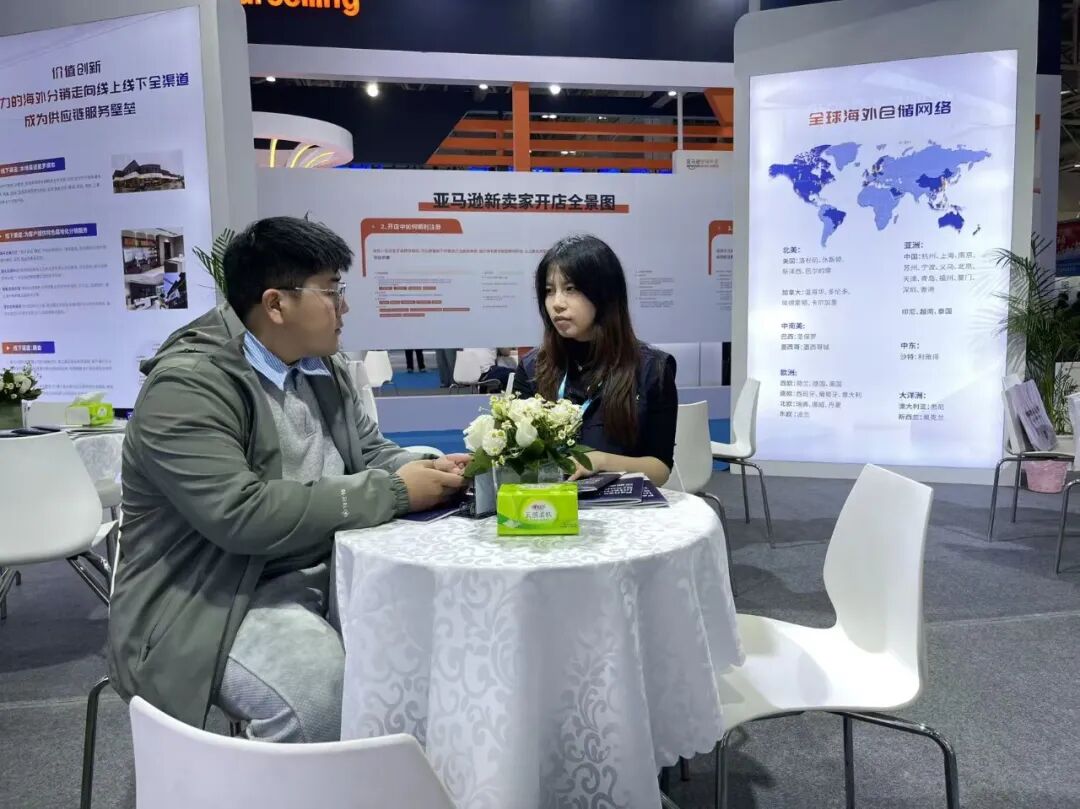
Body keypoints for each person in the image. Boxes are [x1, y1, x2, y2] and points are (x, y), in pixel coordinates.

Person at [108, 216, 469, 741]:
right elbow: (241, 514)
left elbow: (367, 451)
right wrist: (394, 491)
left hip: (331, 570)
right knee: (317, 694)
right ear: (276, 304)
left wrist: (424, 466)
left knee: (445, 643)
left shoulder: (321, 367)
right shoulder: (188, 386)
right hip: (218, 597)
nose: (344, 307)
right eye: (332, 291)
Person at [515, 234, 677, 485]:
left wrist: (601, 461)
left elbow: (660, 469)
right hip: (549, 501)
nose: (557, 303)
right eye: (549, 291)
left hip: (619, 503)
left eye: (570, 289)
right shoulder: (532, 368)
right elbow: (516, 459)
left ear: (603, 293)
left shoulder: (652, 369)